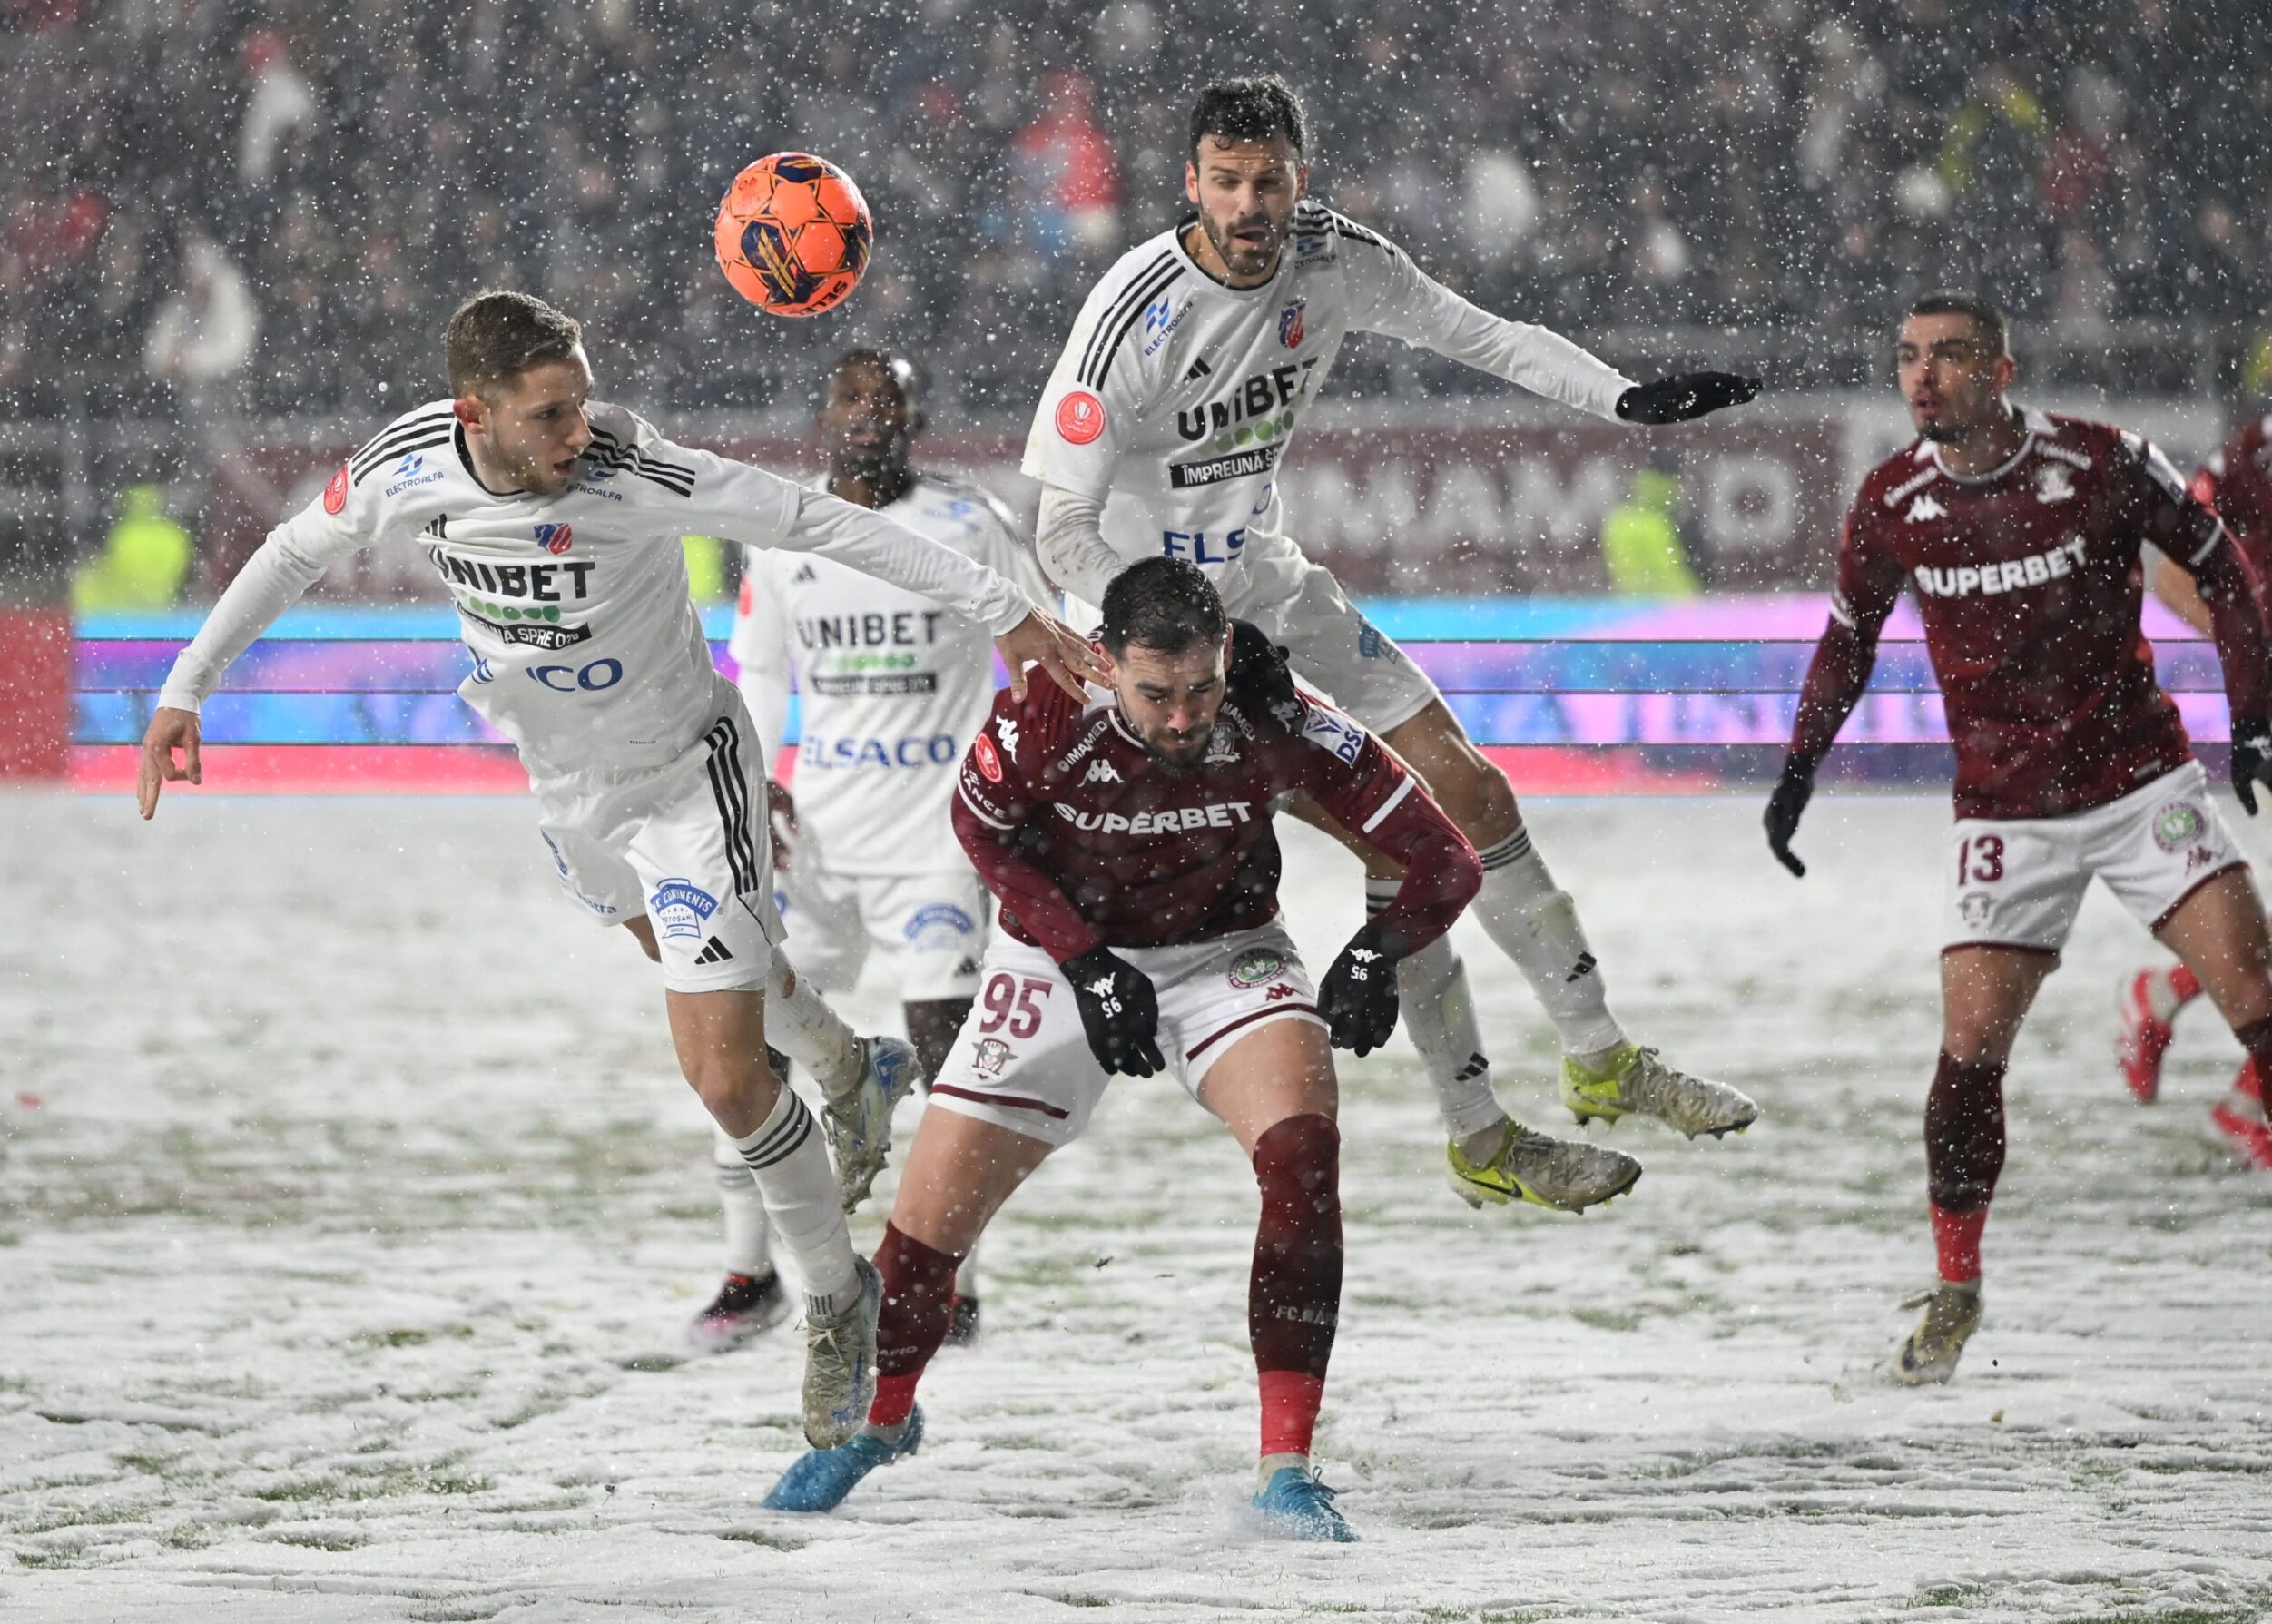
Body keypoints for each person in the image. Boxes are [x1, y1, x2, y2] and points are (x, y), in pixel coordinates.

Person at [135, 290, 1096, 1448]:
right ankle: (848, 1061)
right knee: (693, 972)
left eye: (581, 401)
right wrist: (186, 684)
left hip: (691, 779)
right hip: (570, 793)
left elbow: (817, 522)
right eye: (548, 415)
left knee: (726, 1077)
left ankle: (839, 1299)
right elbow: (295, 548)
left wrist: (1009, 611)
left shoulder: (635, 467)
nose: (576, 431)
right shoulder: (406, 463)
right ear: (473, 415)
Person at [1026, 74, 1762, 1216]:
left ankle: (1600, 1056)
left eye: (1269, 179)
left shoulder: (1336, 257)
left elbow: (1482, 335)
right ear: (1189, 183)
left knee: (1466, 789)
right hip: (1156, 649)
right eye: (1225, 181)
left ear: (1299, 177)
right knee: (1403, 842)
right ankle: (1477, 1127)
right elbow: (1058, 529)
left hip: (1267, 588)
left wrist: (1621, 401)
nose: (1250, 202)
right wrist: (1168, 628)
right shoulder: (1134, 315)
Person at [763, 559, 1484, 1540]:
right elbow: (979, 829)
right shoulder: (1046, 715)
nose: (1183, 718)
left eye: (1199, 689)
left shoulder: (1279, 713)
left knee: (1302, 1155)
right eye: (1156, 694)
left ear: (1227, 655)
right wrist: (1085, 961)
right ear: (1105, 664)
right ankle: (879, 1423)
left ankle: (1286, 1469)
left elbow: (1449, 855)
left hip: (1229, 955)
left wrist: (1377, 948)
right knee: (922, 1238)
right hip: (1056, 961)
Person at [1763, 291, 2272, 1386]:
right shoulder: (1891, 501)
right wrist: (1796, 769)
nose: (1923, 377)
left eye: (1949, 357)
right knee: (1968, 1055)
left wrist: (2248, 724)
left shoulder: (2100, 461)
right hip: (2004, 813)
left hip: (2138, 783)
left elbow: (2219, 567)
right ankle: (1956, 1286)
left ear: (2002, 369)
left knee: (2257, 999)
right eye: (1908, 358)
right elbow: (1846, 642)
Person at [693, 349, 1044, 1352]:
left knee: (948, 1047)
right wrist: (755, 781)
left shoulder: (967, 524)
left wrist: (1026, 775)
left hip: (937, 834)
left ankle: (952, 1279)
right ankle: (746, 1270)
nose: (869, 415)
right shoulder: (783, 535)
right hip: (819, 839)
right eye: (850, 398)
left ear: (914, 417)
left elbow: (1032, 644)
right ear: (823, 415)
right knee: (752, 1044)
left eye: (888, 400)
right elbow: (758, 676)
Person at [2117, 292, 2272, 1168]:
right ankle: (2189, 1021)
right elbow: (2168, 573)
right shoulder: (2244, 460)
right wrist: (2247, 648)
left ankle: (2229, 1076)